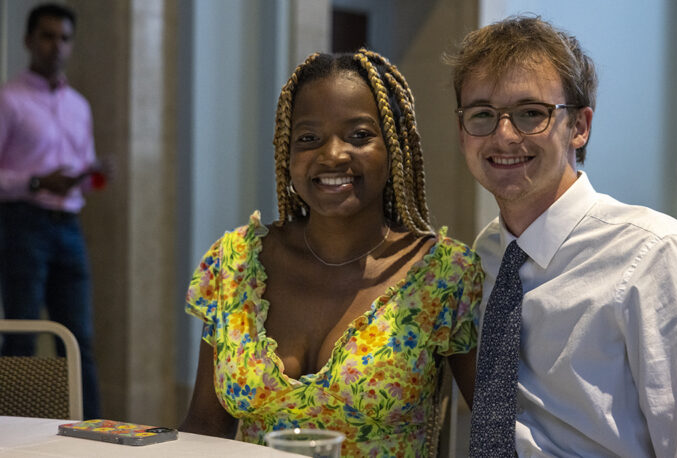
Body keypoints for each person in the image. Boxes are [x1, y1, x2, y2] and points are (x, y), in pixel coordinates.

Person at [446, 15, 677, 457]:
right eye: (482, 115)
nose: (504, 134)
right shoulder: (489, 252)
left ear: (579, 126)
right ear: (462, 133)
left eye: (531, 113)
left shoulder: (659, 257)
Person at [180, 49, 482, 456]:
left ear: (393, 146)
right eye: (308, 139)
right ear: (287, 155)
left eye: (359, 135)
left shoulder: (444, 275)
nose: (332, 155)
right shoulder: (233, 264)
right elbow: (204, 428)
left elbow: (494, 428)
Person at [0, 3, 103, 419]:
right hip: (23, 224)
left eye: (63, 38)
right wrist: (39, 182)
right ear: (29, 41)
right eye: (47, 36)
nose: (55, 46)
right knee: (23, 334)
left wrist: (93, 175)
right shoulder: (9, 100)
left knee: (80, 338)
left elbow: (85, 171)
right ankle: (12, 432)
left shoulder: (80, 105)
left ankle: (93, 432)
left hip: (69, 227)